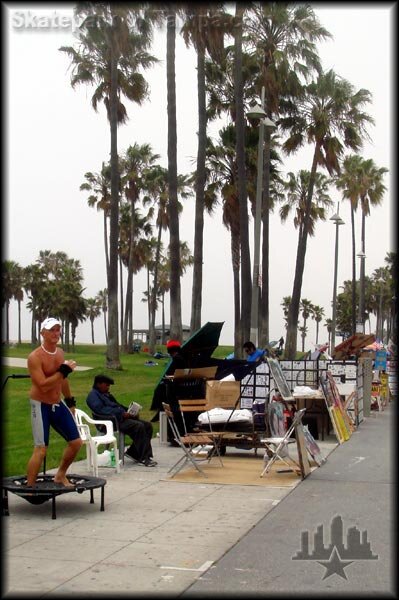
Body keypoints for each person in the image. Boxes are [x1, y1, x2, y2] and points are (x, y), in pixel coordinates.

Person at [26, 317, 82, 487]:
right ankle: (30, 487)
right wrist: (63, 371)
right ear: (42, 333)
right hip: (40, 404)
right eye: (52, 330)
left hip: (57, 403)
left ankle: (60, 475)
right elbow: (42, 385)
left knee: (76, 443)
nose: (56, 333)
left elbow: (63, 380)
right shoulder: (34, 357)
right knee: (41, 449)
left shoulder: (59, 353)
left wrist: (70, 401)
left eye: (58, 329)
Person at [86, 374, 157, 467]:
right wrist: (121, 414)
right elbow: (101, 410)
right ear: (99, 384)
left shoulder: (106, 394)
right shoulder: (93, 396)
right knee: (138, 426)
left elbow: (117, 405)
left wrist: (129, 411)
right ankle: (144, 457)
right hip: (110, 422)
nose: (108, 387)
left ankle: (134, 453)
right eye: (106, 385)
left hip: (119, 419)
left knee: (147, 425)